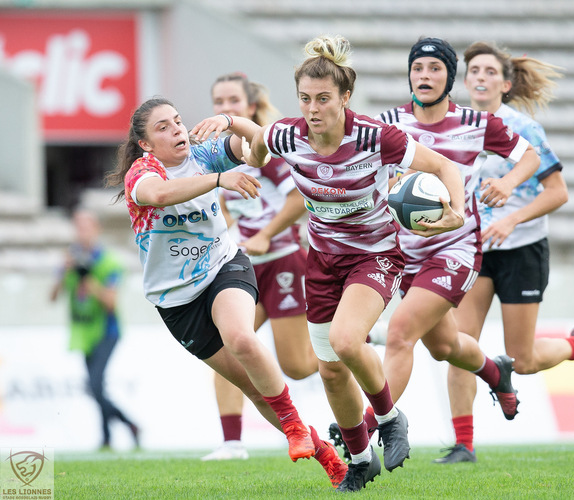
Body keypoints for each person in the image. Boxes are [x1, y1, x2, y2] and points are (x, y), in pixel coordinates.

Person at [241, 35, 466, 492]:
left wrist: (455, 213)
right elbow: (260, 147)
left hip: (376, 255)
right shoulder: (286, 135)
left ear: (345, 97)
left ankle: (389, 416)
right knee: (329, 370)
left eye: (323, 99)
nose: (313, 109)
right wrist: (249, 158)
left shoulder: (375, 137)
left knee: (346, 341)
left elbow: (447, 168)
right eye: (305, 99)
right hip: (321, 260)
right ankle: (361, 460)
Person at [104, 96, 346, 488]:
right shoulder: (142, 171)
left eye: (178, 121)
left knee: (240, 337)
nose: (177, 130)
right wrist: (220, 179)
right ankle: (322, 452)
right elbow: (160, 195)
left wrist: (234, 121)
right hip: (176, 302)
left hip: (223, 266)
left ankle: (296, 431)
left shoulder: (205, 154)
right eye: (163, 127)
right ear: (146, 143)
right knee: (252, 388)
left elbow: (260, 150)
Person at [336, 37, 540, 447]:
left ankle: (367, 426)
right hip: (404, 253)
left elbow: (530, 157)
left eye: (434, 69)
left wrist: (506, 181)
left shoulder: (477, 125)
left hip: (456, 249)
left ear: (450, 78)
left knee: (399, 333)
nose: (425, 76)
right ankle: (495, 371)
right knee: (445, 345)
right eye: (418, 68)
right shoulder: (389, 124)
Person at [434, 41, 574, 464]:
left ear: (506, 83)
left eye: (489, 72)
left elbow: (558, 193)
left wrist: (512, 217)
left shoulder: (524, 129)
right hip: (474, 249)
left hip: (522, 249)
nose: (480, 77)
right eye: (473, 70)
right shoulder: (456, 126)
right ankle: (464, 444)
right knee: (460, 344)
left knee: (524, 359)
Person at [201, 72, 321, 463]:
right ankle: (232, 443)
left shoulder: (263, 145)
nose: (224, 109)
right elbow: (225, 209)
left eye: (232, 101)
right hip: (247, 270)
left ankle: (358, 341)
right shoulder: (216, 152)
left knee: (299, 367)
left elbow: (300, 199)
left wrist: (267, 233)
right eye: (218, 102)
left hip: (284, 261)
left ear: (250, 107)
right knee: (225, 346)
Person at [50, 209, 140, 451]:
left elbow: (111, 303)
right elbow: (53, 296)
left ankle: (129, 424)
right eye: (78, 227)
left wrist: (91, 285)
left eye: (86, 227)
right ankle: (108, 436)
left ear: (96, 229)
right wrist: (63, 272)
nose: (82, 233)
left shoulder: (108, 261)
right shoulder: (71, 259)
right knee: (96, 386)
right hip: (83, 332)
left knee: (95, 384)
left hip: (107, 331)